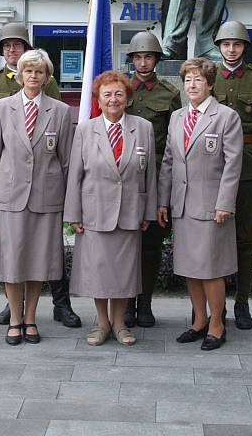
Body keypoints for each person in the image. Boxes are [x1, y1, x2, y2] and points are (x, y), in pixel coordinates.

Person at [0, 21, 80, 328]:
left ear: (46, 76)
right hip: (10, 192)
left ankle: (38, 314)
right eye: (8, 46)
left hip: (45, 195)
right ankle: (15, 315)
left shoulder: (57, 108)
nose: (32, 75)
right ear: (18, 73)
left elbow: (66, 157)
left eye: (38, 71)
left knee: (40, 260)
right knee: (12, 259)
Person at [64, 71, 157, 347]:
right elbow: (75, 176)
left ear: (127, 98)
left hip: (130, 212)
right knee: (98, 271)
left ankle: (120, 324)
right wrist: (73, 214)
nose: (113, 99)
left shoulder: (143, 128)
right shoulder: (84, 130)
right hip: (94, 212)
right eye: (107, 94)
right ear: (98, 100)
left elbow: (150, 174)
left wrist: (148, 212)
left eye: (119, 94)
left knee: (124, 273)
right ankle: (102, 322)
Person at [158, 58, 243, 351]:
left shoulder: (226, 117)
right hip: (182, 205)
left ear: (209, 84)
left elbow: (233, 164)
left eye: (197, 80)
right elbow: (168, 162)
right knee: (189, 268)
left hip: (211, 207)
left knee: (211, 269)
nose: (191, 85)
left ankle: (217, 324)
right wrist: (163, 201)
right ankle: (198, 321)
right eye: (188, 80)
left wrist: (225, 203)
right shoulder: (177, 117)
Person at [213, 21, 252, 329]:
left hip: (249, 167)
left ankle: (243, 303)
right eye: (226, 44)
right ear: (219, 47)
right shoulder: (209, 77)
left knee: (246, 239)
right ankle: (217, 304)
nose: (232, 49)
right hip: (215, 168)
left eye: (236, 45)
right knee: (215, 238)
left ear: (244, 48)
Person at [124, 31, 182, 328]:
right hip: (125, 178)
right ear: (131, 60)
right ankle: (126, 303)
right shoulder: (120, 90)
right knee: (125, 243)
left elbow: (174, 139)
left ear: (157, 60)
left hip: (157, 177)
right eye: (138, 57)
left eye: (148, 57)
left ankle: (144, 303)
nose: (143, 62)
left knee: (151, 245)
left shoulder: (169, 94)